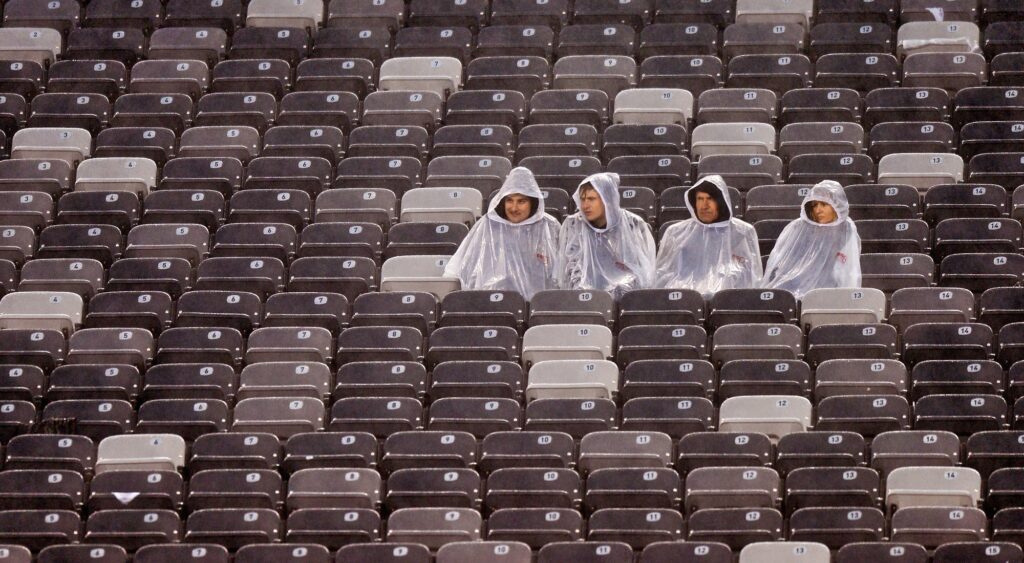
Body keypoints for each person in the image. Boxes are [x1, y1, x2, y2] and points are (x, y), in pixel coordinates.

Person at [443, 167, 560, 299]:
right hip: (490, 303)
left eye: (521, 201)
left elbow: (560, 274)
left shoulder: (549, 226)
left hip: (538, 305)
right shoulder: (487, 225)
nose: (514, 208)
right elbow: (459, 266)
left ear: (532, 202)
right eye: (509, 200)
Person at [554, 172, 657, 299]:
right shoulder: (573, 225)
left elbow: (643, 272)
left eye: (591, 199)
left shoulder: (633, 224)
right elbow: (567, 270)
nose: (585, 205)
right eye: (582, 199)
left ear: (607, 199)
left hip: (625, 296)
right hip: (581, 299)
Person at [655, 175, 762, 296]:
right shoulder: (676, 232)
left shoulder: (743, 232)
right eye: (700, 199)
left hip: (728, 298)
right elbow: (663, 275)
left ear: (721, 202)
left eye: (710, 199)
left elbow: (750, 279)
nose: (704, 206)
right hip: (683, 297)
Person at [762, 179, 861, 298]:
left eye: (824, 204)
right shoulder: (797, 227)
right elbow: (782, 264)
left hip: (830, 292)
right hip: (793, 286)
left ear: (837, 205)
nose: (818, 210)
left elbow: (848, 271)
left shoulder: (847, 229)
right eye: (814, 206)